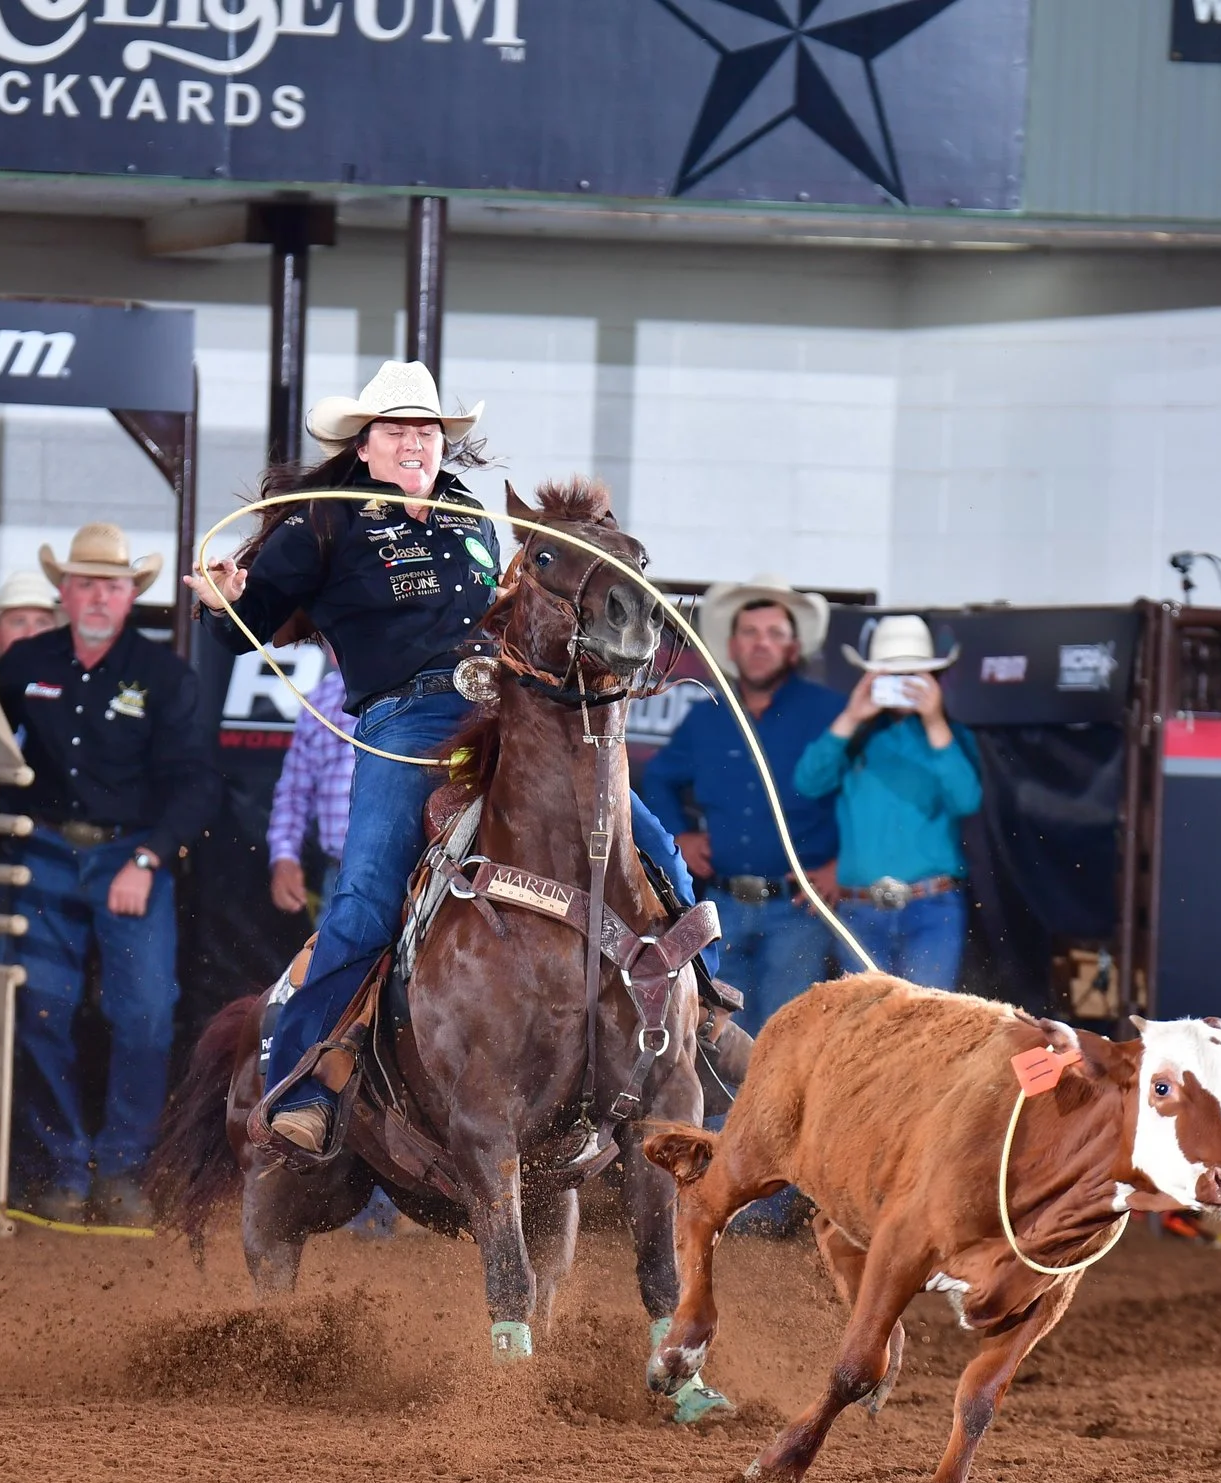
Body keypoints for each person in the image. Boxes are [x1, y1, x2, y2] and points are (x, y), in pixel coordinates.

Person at [184, 360, 707, 1155]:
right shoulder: (325, 518)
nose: (413, 443)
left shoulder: (467, 510)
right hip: (408, 718)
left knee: (646, 840)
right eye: (396, 430)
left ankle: (705, 1012)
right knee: (366, 891)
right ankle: (304, 1082)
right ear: (364, 445)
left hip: (509, 705)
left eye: (425, 430)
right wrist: (225, 596)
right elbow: (244, 620)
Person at [0, 524, 217, 1225]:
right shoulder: (22, 664)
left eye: (111, 585)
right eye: (85, 582)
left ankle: (123, 1166)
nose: (97, 596)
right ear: (64, 591)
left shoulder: (164, 677)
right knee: (37, 1008)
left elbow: (196, 785)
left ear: (131, 596)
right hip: (42, 851)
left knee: (147, 1015)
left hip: (132, 856)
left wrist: (149, 859)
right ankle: (61, 1164)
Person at [640, 574, 845, 1023]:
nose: (761, 644)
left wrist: (841, 866)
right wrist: (679, 835)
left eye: (775, 634)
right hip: (724, 905)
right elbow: (657, 778)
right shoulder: (707, 716)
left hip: (797, 910)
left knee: (782, 1031)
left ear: (793, 648)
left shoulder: (830, 713)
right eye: (749, 633)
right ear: (732, 647)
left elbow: (864, 795)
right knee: (718, 1032)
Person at [794, 614, 983, 990]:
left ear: (932, 679)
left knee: (927, 1026)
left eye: (912, 675)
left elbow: (967, 800)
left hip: (930, 908)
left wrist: (934, 721)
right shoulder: (853, 737)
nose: (902, 685)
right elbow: (808, 782)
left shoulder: (951, 737)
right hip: (860, 909)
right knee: (870, 1027)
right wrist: (852, 715)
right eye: (890, 676)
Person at [267, 656, 354, 916]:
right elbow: (294, 791)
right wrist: (284, 856)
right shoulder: (320, 698)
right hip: (338, 875)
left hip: (412, 873)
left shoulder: (414, 688)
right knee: (332, 958)